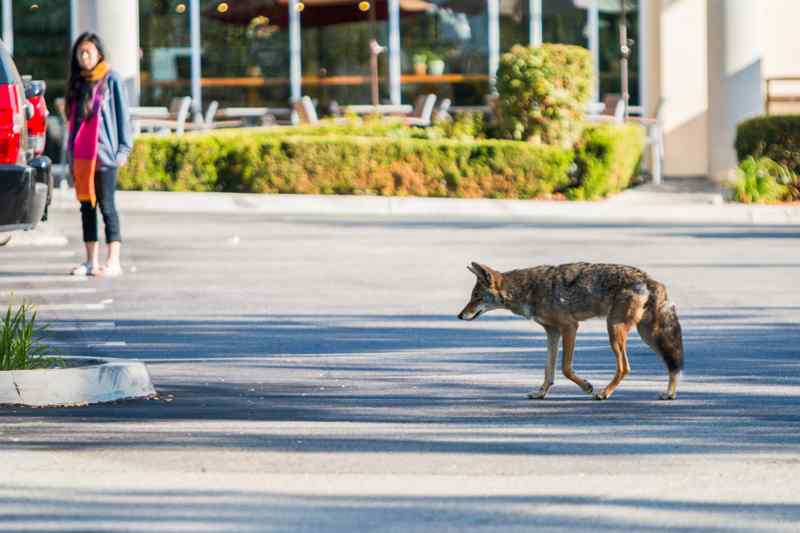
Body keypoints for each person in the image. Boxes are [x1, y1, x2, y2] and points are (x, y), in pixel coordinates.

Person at [66, 32, 132, 277]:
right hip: (82, 158)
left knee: (107, 207)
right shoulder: (78, 82)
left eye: (88, 52)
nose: (84, 57)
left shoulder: (111, 79)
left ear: (99, 53)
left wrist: (123, 149)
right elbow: (73, 124)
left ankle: (113, 260)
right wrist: (71, 156)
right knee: (87, 208)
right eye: (80, 53)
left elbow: (122, 115)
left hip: (104, 157)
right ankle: (90, 261)